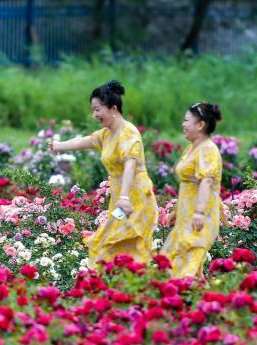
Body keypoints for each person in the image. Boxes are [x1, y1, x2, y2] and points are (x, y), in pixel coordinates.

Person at [50, 80, 158, 269]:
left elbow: (129, 167)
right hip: (120, 200)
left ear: (113, 108)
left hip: (135, 201)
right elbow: (83, 141)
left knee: (129, 249)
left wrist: (124, 198)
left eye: (97, 109)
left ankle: (143, 289)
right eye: (93, 110)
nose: (95, 115)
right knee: (104, 244)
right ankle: (115, 291)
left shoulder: (128, 134)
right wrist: (58, 146)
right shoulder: (107, 134)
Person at [161, 102, 223, 278]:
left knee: (185, 270)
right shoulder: (193, 147)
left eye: (186, 120)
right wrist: (175, 210)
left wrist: (199, 212)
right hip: (186, 216)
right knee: (180, 267)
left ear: (200, 125)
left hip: (199, 218)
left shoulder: (208, 149)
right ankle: (203, 302)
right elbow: (189, 185)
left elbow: (206, 181)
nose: (183, 124)